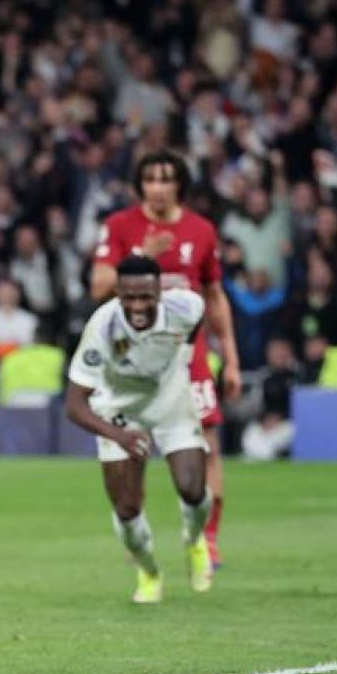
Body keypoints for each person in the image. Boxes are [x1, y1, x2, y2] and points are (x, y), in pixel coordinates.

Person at [90, 149, 241, 568]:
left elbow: (214, 297)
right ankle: (136, 537)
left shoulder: (202, 230)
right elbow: (99, 286)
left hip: (187, 359)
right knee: (133, 453)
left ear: (179, 184)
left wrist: (230, 358)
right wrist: (144, 253)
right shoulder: (120, 226)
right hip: (132, 364)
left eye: (166, 179)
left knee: (207, 448)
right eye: (150, 179)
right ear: (140, 185)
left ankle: (206, 540)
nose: (157, 187)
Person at [67, 255, 214, 603]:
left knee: (193, 489)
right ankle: (149, 572)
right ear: (117, 292)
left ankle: (194, 540)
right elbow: (74, 406)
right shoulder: (102, 327)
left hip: (170, 399)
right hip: (119, 411)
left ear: (159, 292)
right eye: (129, 297)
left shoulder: (187, 306)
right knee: (127, 508)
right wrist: (120, 436)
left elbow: (197, 322)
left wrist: (186, 356)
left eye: (145, 297)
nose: (137, 305)